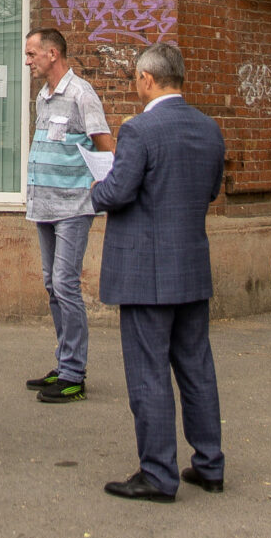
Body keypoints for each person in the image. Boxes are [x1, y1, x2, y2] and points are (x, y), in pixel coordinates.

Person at [89, 41, 227, 502]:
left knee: (148, 373)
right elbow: (209, 192)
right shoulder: (210, 129)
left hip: (145, 273)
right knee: (197, 369)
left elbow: (119, 192)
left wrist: (97, 188)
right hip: (190, 266)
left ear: (147, 79)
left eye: (135, 79)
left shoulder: (139, 130)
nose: (135, 85)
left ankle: (158, 474)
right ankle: (209, 464)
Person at [21, 26, 115, 404]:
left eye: (32, 54)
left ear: (52, 54)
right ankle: (64, 363)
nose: (27, 61)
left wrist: (101, 188)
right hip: (44, 205)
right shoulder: (44, 95)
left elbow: (106, 147)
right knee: (51, 284)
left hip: (73, 207)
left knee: (65, 284)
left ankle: (74, 374)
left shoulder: (81, 94)